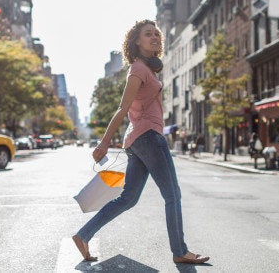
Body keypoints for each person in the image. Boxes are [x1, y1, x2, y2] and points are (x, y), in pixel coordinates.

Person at [72, 20, 209, 264]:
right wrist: (103, 143)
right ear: (137, 41)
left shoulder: (146, 68)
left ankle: (84, 235)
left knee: (129, 198)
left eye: (157, 34)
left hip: (138, 139)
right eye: (148, 34)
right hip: (148, 138)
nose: (155, 37)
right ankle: (180, 251)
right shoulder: (138, 70)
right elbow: (123, 108)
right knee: (172, 195)